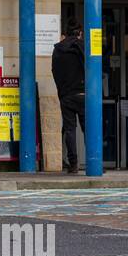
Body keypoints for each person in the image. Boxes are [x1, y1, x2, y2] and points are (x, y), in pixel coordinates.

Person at [51, 21, 85, 173]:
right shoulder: (81, 46)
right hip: (82, 93)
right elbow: (90, 67)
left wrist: (61, 91)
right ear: (79, 33)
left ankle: (73, 164)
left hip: (66, 95)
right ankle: (93, 161)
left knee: (70, 130)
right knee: (88, 128)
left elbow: (54, 71)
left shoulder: (57, 50)